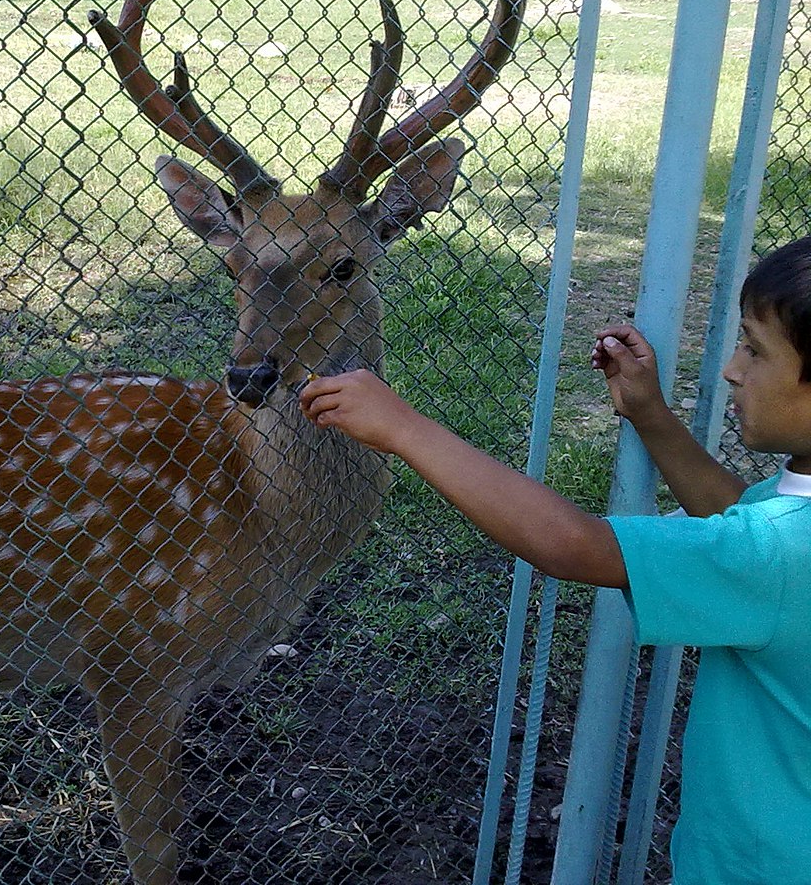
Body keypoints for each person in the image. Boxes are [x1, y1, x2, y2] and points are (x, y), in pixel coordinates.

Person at [300, 236, 811, 884]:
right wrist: (651, 415)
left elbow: (576, 544)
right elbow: (735, 516)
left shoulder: (783, 549)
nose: (733, 369)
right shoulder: (786, 521)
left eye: (755, 349)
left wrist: (405, 427)